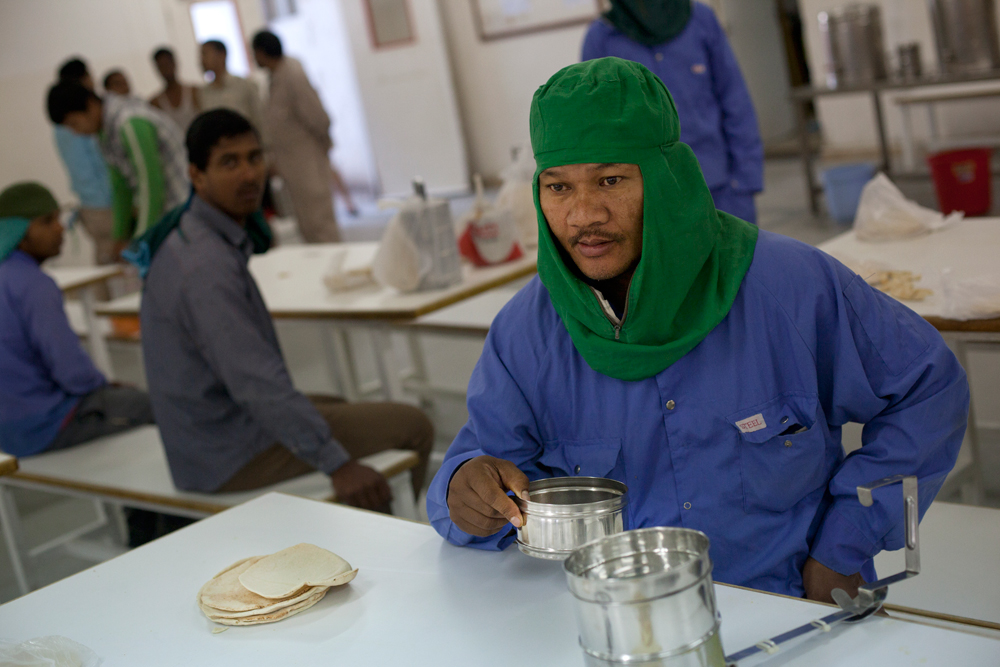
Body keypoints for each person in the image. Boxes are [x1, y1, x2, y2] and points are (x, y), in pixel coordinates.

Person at [426, 59, 968, 603]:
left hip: (790, 610)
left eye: (611, 180)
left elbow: (928, 387)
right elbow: (480, 468)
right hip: (621, 624)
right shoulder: (526, 335)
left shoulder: (792, 287)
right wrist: (464, 490)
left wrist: (844, 545)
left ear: (666, 179)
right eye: (559, 186)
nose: (582, 214)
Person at [131, 109, 433, 507]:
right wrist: (337, 464)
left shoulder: (194, 234)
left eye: (254, 158)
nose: (248, 174)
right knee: (413, 425)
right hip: (226, 455)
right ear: (196, 175)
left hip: (206, 432)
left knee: (339, 405)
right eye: (229, 162)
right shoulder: (206, 267)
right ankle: (392, 537)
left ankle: (365, 522)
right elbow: (255, 383)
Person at [0, 182, 154, 458]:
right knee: (153, 407)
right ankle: (145, 500)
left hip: (7, 432)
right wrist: (103, 386)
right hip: (44, 427)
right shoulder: (35, 285)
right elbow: (71, 371)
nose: (60, 228)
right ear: (19, 233)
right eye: (47, 221)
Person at [582, 1, 764, 224]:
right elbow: (598, 127)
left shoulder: (700, 19)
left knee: (737, 257)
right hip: (649, 199)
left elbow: (735, 100)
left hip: (721, 188)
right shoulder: (602, 37)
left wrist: (745, 180)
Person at [47, 81, 189, 249]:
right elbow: (120, 186)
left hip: (184, 210)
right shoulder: (103, 132)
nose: (76, 132)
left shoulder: (129, 123)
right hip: (168, 215)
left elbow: (151, 184)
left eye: (74, 124)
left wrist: (140, 240)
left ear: (91, 106)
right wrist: (119, 236)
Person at [252, 30, 353, 242]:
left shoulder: (293, 75)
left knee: (321, 224)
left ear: (261, 52)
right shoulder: (275, 76)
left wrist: (322, 150)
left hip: (308, 161)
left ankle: (335, 270)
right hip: (293, 165)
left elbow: (318, 117)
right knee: (308, 224)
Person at [50, 58, 115, 265]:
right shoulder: (78, 122)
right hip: (105, 204)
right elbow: (97, 166)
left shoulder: (61, 127)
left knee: (107, 260)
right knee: (117, 263)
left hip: (90, 204)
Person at [199, 40, 265, 133]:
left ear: (222, 55)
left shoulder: (245, 85)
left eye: (205, 54)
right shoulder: (204, 92)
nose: (201, 59)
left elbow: (260, 120)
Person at [149, 47, 201, 132]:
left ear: (174, 63)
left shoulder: (194, 91)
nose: (165, 69)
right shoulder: (155, 103)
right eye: (161, 66)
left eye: (167, 64)